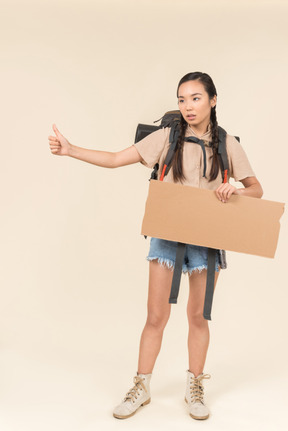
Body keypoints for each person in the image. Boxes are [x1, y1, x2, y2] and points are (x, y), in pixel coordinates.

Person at [48, 72, 263, 421]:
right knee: (155, 315)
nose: (188, 106)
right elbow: (118, 159)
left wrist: (236, 190)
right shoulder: (168, 137)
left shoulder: (226, 143)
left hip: (209, 238)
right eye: (181, 99)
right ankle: (141, 386)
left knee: (198, 315)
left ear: (213, 100)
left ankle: (195, 387)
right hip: (167, 234)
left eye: (195, 98)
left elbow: (256, 189)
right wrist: (71, 150)